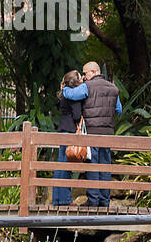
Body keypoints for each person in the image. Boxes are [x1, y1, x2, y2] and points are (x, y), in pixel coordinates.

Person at [61, 61, 122, 208]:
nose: (84, 76)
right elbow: (118, 110)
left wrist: (63, 89)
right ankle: (104, 201)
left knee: (93, 165)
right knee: (105, 166)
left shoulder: (87, 86)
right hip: (108, 132)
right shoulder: (114, 88)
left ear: (94, 72)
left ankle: (93, 201)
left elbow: (72, 94)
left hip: (93, 131)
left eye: (85, 73)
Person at [52, 70, 84, 207]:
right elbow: (77, 115)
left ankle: (57, 199)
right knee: (66, 167)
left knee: (60, 166)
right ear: (75, 82)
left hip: (62, 130)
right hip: (70, 131)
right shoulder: (74, 95)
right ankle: (65, 200)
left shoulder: (65, 94)